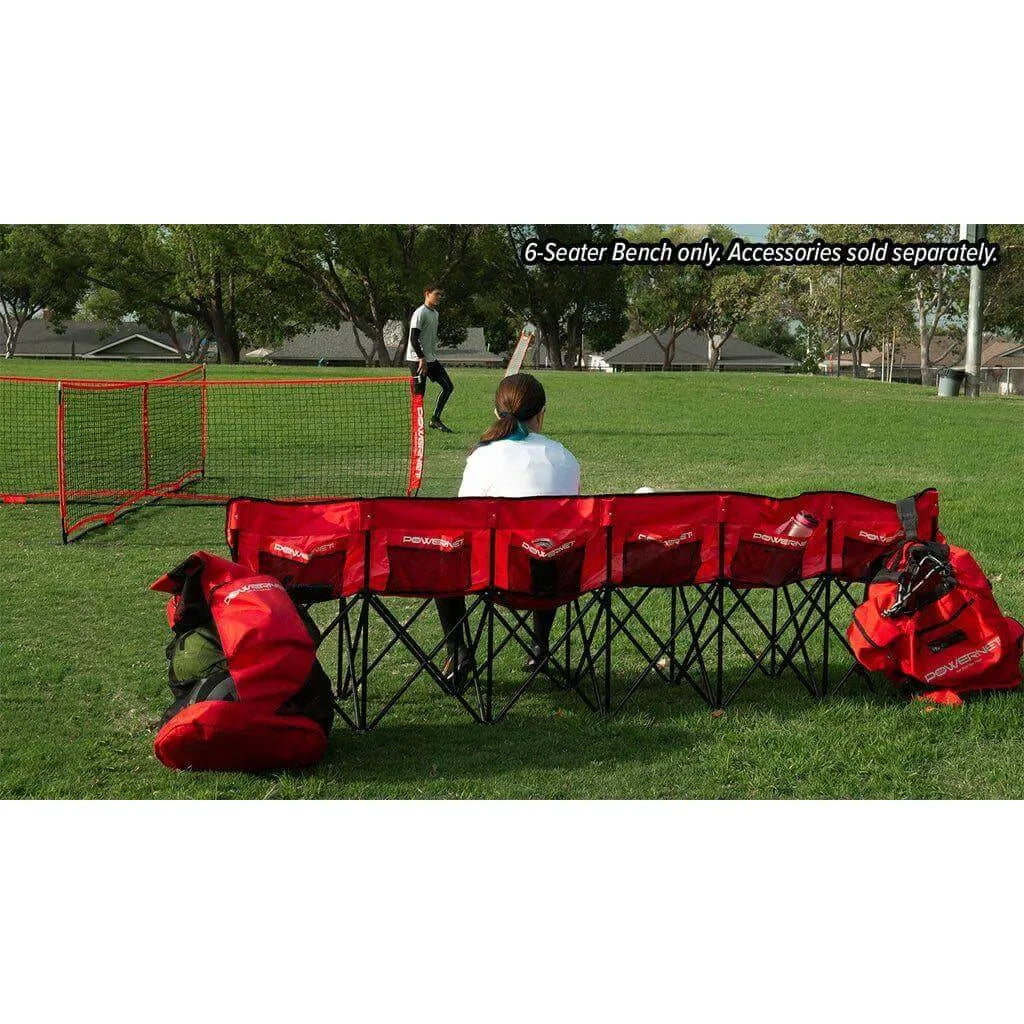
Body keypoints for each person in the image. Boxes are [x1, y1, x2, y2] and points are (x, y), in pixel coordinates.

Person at [437, 373, 581, 693]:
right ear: (542, 413)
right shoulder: (565, 458)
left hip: (495, 576)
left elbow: (465, 519)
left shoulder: (483, 457)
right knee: (549, 544)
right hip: (552, 577)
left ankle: (458, 654)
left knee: (446, 556)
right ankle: (540, 646)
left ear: (496, 412)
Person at [406, 284, 455, 433]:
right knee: (419, 395)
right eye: (437, 294)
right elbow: (413, 339)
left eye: (441, 294)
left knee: (448, 387)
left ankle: (435, 419)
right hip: (417, 360)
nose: (439, 297)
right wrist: (421, 358)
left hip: (431, 359)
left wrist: (428, 357)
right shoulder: (420, 313)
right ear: (427, 294)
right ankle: (417, 428)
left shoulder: (435, 314)